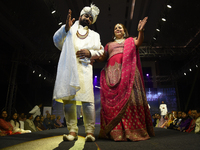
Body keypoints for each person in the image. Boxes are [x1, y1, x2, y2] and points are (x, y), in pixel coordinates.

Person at [53, 4, 104, 142]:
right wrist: (65, 28)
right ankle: (72, 131)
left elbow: (101, 51)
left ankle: (90, 132)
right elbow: (57, 41)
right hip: (69, 69)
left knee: (88, 101)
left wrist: (90, 53)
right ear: (80, 16)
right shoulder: (69, 29)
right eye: (86, 15)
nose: (87, 18)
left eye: (90, 17)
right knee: (69, 100)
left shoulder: (95, 35)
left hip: (85, 70)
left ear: (92, 21)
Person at [98, 18, 155, 141]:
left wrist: (141, 31)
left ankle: (133, 128)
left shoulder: (130, 41)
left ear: (124, 31)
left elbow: (139, 42)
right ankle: (115, 130)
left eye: (120, 27)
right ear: (114, 32)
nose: (118, 29)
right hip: (113, 74)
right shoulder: (109, 45)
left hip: (130, 74)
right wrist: (95, 52)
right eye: (115, 28)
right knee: (116, 100)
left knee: (130, 100)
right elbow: (103, 58)